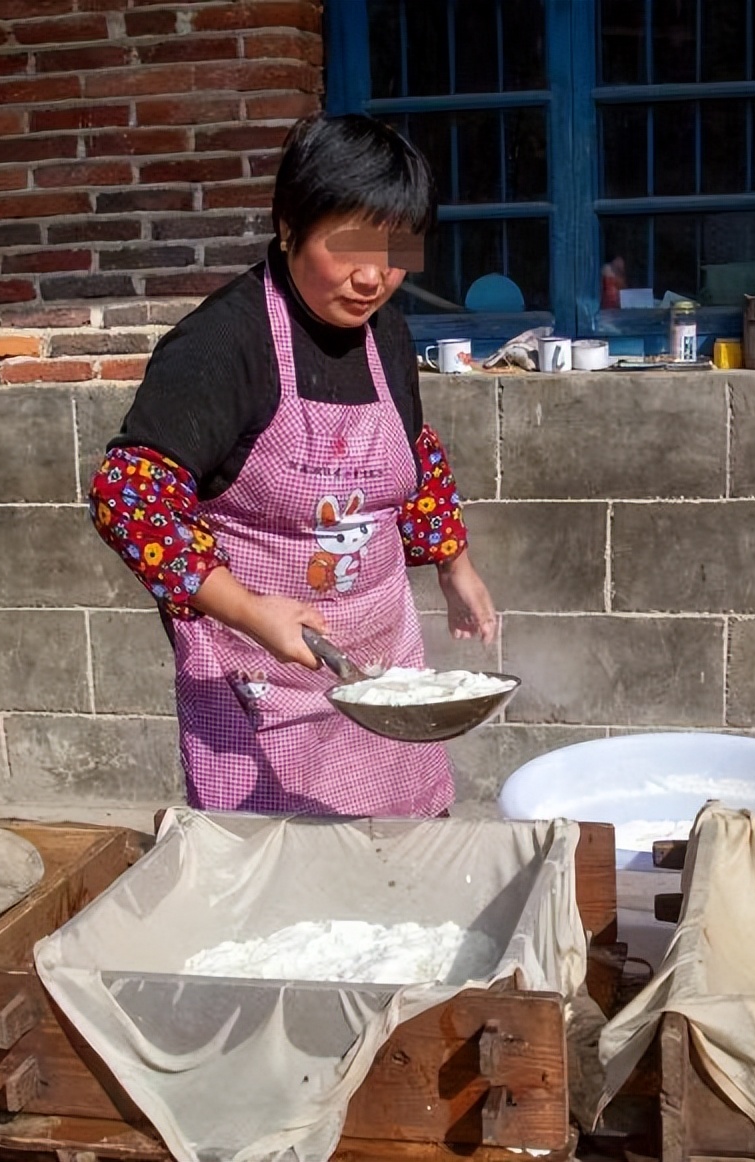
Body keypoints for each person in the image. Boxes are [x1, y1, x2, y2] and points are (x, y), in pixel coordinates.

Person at [89, 113, 497, 818]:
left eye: (396, 251)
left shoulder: (387, 334)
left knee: (402, 868)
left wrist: (454, 564)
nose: (373, 277)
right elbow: (128, 498)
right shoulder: (222, 345)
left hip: (378, 666)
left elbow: (413, 451)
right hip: (260, 679)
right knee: (287, 894)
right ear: (288, 226)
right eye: (347, 245)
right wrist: (249, 611)